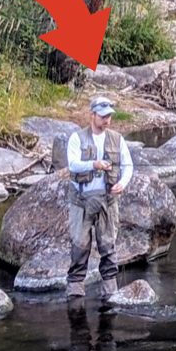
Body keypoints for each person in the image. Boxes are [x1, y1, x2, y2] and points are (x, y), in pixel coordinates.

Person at [66, 96, 133, 300]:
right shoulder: (77, 138)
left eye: (109, 116)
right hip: (81, 201)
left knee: (108, 244)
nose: (107, 120)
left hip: (108, 201)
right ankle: (76, 286)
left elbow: (128, 166)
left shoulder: (117, 139)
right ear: (92, 115)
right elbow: (73, 165)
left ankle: (109, 286)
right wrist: (94, 165)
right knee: (80, 245)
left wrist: (123, 182)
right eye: (103, 116)